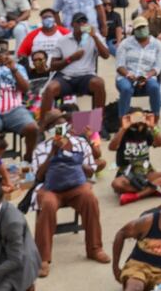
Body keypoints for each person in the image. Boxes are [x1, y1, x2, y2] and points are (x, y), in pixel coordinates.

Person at [28, 110, 109, 276]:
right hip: (50, 188)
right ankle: (43, 259)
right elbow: (38, 176)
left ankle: (95, 248)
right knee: (48, 204)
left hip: (75, 185)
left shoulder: (80, 142)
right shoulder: (41, 149)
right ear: (48, 130)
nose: (60, 129)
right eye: (56, 127)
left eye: (63, 125)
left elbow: (91, 170)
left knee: (90, 198)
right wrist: (53, 153)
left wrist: (78, 164)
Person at [110, 110, 161, 205]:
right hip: (127, 174)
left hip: (146, 172)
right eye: (136, 118)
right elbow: (112, 147)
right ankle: (152, 189)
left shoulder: (147, 133)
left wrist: (153, 126)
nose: (139, 121)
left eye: (141, 117)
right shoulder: (124, 133)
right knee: (116, 184)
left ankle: (136, 196)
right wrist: (123, 128)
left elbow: (160, 143)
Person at [116, 17, 161, 119]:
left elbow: (157, 67)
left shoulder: (158, 45)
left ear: (148, 27)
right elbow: (119, 66)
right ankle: (123, 119)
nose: (142, 30)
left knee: (154, 87)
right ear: (134, 30)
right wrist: (129, 75)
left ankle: (156, 116)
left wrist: (146, 76)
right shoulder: (125, 43)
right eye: (139, 28)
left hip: (148, 75)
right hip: (126, 75)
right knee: (126, 88)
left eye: (144, 27)